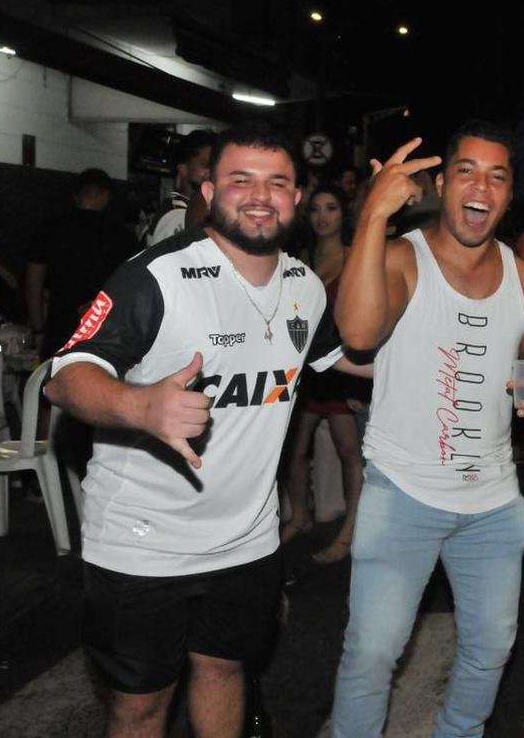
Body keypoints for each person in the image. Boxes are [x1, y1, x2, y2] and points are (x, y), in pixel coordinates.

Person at [45, 124, 369, 738]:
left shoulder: (302, 284)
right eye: (240, 179)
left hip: (247, 542)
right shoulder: (157, 275)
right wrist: (141, 406)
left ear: (296, 198)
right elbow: (67, 377)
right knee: (141, 707)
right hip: (143, 544)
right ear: (208, 188)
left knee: (224, 672)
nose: (259, 195)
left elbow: (347, 357)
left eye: (277, 182)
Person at [329, 121, 524, 738]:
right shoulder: (405, 259)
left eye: (497, 175)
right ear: (441, 183)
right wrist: (373, 218)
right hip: (402, 492)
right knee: (373, 655)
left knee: (490, 651)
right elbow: (355, 334)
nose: (481, 185)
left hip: (492, 502)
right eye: (466, 170)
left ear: (509, 195)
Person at [281, 184, 366, 564]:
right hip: (304, 370)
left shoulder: (354, 259)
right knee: (294, 452)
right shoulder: (300, 258)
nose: (322, 216)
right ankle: (299, 516)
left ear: (343, 214)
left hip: (341, 369)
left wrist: (359, 378)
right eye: (315, 209)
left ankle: (349, 534)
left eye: (331, 208)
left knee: (351, 455)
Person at [25, 167, 138, 359]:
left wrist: (38, 329)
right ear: (106, 196)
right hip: (106, 330)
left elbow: (33, 281)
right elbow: (133, 287)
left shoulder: (50, 229)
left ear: (76, 196)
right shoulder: (123, 236)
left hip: (59, 328)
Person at [146, 129, 217, 246]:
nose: (212, 172)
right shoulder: (177, 214)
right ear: (183, 169)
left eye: (216, 166)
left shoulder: (191, 210)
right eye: (206, 165)